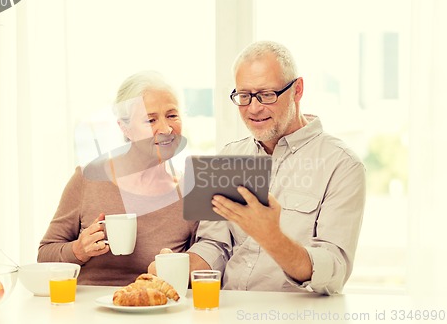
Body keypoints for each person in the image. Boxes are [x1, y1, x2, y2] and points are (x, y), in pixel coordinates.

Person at [150, 41, 366, 295]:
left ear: (298, 90)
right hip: (226, 311)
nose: (253, 108)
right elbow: (214, 245)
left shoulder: (342, 165)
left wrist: (273, 239)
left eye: (266, 95)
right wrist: (177, 268)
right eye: (244, 96)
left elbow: (334, 272)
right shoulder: (228, 156)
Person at [38, 70, 198, 286]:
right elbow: (44, 255)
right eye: (150, 119)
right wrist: (78, 250)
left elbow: (202, 271)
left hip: (156, 311)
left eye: (172, 115)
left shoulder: (189, 193)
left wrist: (178, 266)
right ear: (125, 128)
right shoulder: (88, 179)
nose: (167, 128)